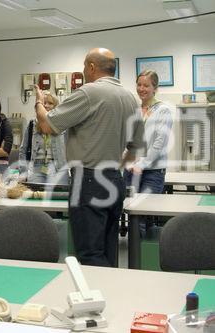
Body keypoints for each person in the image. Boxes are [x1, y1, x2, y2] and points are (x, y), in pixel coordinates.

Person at [35, 48, 144, 267]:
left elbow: (47, 125)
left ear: (92, 67)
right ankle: (111, 295)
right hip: (114, 178)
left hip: (88, 181)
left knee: (90, 253)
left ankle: (98, 298)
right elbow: (135, 148)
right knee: (108, 248)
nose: (84, 71)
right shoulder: (130, 99)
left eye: (85, 66)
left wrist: (38, 102)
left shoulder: (88, 93)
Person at [125, 70, 173, 194]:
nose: (141, 89)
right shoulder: (134, 110)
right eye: (139, 85)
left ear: (155, 88)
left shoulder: (163, 110)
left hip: (152, 172)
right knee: (129, 209)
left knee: (147, 210)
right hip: (131, 170)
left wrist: (141, 165)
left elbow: (159, 143)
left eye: (146, 85)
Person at [19, 92, 69, 184]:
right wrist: (23, 173)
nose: (46, 105)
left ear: (56, 106)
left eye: (50, 103)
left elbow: (71, 148)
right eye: (44, 103)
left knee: (58, 196)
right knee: (36, 196)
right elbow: (23, 150)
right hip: (37, 167)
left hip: (58, 167)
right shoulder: (32, 125)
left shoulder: (63, 124)